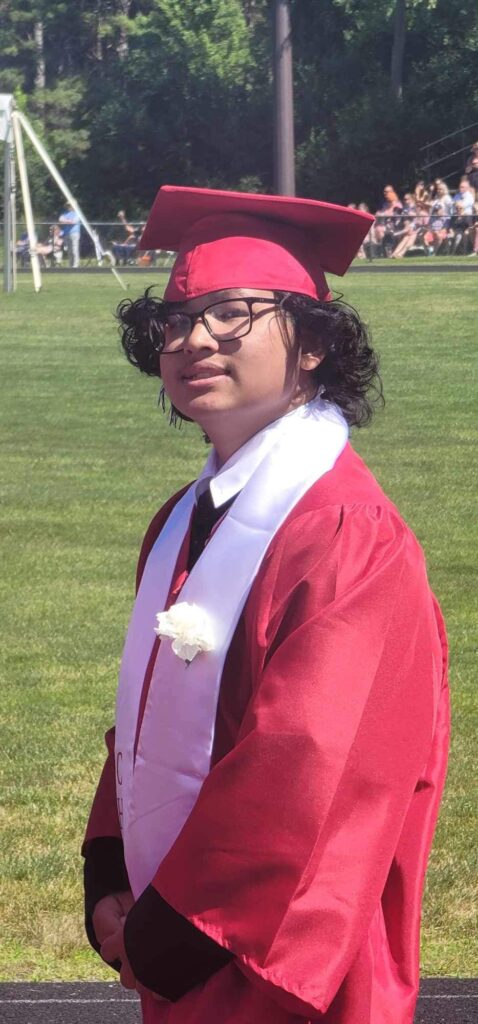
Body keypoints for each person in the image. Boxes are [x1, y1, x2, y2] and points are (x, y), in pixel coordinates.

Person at [82, 186, 450, 1024]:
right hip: (177, 932)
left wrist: (171, 932)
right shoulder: (179, 519)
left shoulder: (347, 534)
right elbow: (143, 718)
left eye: (231, 314)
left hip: (278, 959)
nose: (192, 340)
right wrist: (109, 866)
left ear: (314, 343)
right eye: (173, 321)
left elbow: (308, 766)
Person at [58, 201, 81, 268]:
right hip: (67, 233)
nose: (69, 207)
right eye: (68, 205)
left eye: (70, 205)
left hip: (75, 233)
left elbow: (74, 221)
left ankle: (76, 265)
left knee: (74, 250)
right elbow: (60, 219)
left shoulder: (78, 213)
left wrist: (66, 221)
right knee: (69, 251)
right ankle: (71, 265)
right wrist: (68, 221)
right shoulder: (65, 213)